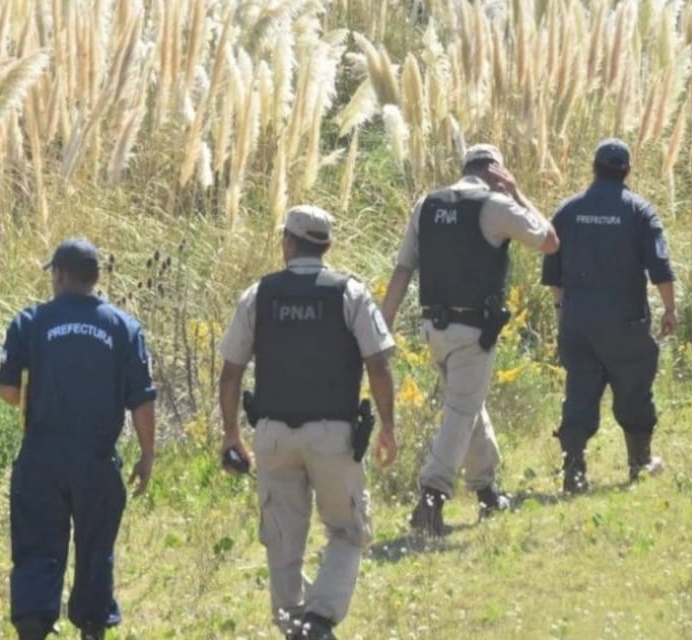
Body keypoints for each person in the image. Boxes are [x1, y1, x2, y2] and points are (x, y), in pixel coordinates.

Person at [218, 205, 397, 640]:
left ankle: (294, 626)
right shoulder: (350, 293)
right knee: (349, 529)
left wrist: (231, 434)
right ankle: (318, 620)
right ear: (328, 246)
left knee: (282, 540)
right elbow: (377, 363)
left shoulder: (258, 294)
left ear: (287, 241)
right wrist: (389, 427)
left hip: (273, 436)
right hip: (333, 436)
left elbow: (230, 372)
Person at [381, 144, 559, 536]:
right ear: (496, 170)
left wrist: (382, 328)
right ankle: (431, 498)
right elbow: (549, 241)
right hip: (474, 331)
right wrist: (516, 192)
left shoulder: (427, 204)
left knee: (469, 406)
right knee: (462, 411)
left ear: (464, 167)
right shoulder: (494, 205)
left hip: (433, 329)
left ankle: (487, 491)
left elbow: (402, 270)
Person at [0, 238, 157, 640]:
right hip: (97, 460)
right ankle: (92, 627)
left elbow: (9, 392)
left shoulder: (31, 321)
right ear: (95, 278)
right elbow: (142, 400)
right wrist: (147, 456)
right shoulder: (123, 327)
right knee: (96, 550)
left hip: (41, 458)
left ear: (61, 275)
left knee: (36, 546)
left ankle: (34, 626)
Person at [541, 138, 676, 494]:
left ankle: (574, 471)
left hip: (579, 323)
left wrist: (562, 312)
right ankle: (640, 462)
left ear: (594, 168)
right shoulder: (640, 211)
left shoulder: (567, 211)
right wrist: (670, 309)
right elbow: (660, 268)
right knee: (634, 391)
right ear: (627, 171)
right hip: (625, 323)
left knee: (580, 391)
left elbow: (553, 275)